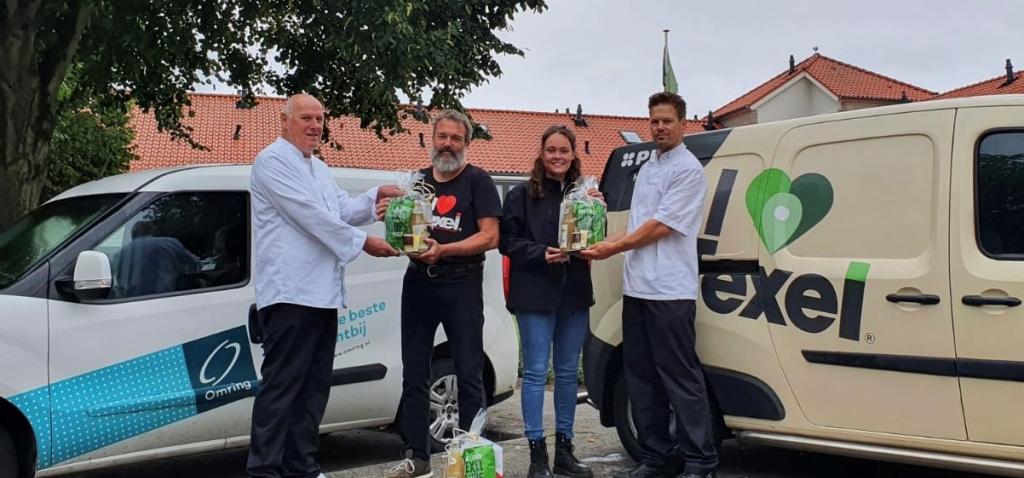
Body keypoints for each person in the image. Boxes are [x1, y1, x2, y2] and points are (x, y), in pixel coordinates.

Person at [247, 93, 401, 478]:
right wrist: (365, 242)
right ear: (284, 121)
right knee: (282, 387)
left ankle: (302, 465)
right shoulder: (271, 162)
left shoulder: (318, 167)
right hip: (289, 294)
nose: (315, 126)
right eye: (306, 118)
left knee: (314, 388)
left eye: (320, 118)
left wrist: (373, 199)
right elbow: (311, 217)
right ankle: (265, 469)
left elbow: (340, 210)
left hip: (323, 295)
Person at [581, 92, 718, 478]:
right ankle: (656, 456)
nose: (659, 127)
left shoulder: (688, 170)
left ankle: (700, 461)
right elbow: (640, 221)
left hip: (670, 293)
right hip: (637, 289)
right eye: (654, 121)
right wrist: (602, 237)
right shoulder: (648, 168)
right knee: (640, 377)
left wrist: (614, 247)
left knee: (680, 378)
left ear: (682, 125)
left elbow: (661, 227)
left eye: (667, 121)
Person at [385, 109, 502, 478]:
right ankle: (417, 457)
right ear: (431, 139)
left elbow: (490, 236)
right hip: (418, 282)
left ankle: (469, 460)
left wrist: (445, 250)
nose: (448, 144)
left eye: (455, 138)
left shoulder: (477, 181)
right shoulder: (415, 183)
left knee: (469, 374)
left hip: (461, 282)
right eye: (442, 137)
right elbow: (402, 231)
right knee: (414, 373)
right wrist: (391, 218)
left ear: (466, 143)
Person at [499, 126, 597, 478]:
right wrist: (541, 253)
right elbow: (506, 241)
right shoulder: (520, 195)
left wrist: (596, 217)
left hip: (574, 293)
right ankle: (537, 454)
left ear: (573, 155)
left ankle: (565, 451)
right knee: (538, 373)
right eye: (551, 150)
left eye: (564, 151)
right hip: (535, 294)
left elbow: (595, 241)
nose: (557, 156)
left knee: (569, 374)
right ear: (541, 154)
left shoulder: (585, 197)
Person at [111, 220, 199, 297]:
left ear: (132, 235)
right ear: (153, 232)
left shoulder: (118, 256)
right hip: (165, 299)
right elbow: (195, 265)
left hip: (128, 303)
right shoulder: (168, 243)